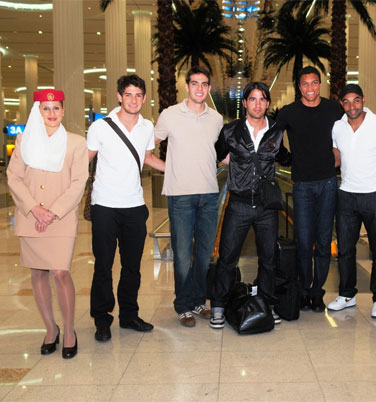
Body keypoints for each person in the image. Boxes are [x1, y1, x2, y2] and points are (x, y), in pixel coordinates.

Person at [7, 89, 88, 359]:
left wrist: (52, 211)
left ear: (63, 111)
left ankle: (69, 331)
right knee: (38, 273)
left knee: (60, 272)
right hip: (31, 217)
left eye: (56, 108)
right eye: (46, 108)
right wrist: (33, 208)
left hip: (60, 218)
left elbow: (79, 182)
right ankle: (50, 329)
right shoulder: (23, 140)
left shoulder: (76, 143)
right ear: (37, 112)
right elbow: (14, 178)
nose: (51, 114)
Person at [87, 74, 165, 342]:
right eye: (128, 94)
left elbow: (148, 158)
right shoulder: (101, 127)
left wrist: (181, 170)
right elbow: (84, 160)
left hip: (134, 205)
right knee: (104, 265)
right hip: (105, 206)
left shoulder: (146, 127)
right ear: (119, 96)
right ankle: (101, 318)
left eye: (138, 95)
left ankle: (129, 315)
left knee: (132, 266)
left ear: (144, 98)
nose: (134, 100)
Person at [209, 82, 291, 329]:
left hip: (267, 207)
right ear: (244, 103)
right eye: (252, 99)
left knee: (268, 259)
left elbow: (284, 156)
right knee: (227, 258)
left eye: (262, 99)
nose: (257, 104)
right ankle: (219, 306)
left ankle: (266, 303)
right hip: (239, 204)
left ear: (267, 103)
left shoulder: (276, 131)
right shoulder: (230, 131)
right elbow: (217, 154)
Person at [154, 66, 223, 327]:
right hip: (180, 196)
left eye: (204, 84)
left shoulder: (215, 119)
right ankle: (182, 305)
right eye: (195, 83)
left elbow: (215, 152)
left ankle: (197, 301)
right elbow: (148, 148)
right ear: (186, 86)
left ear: (208, 88)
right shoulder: (170, 115)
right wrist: (167, 168)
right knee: (182, 254)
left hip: (209, 194)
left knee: (204, 254)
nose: (199, 89)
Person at [277, 66, 342, 312]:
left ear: (320, 84)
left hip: (327, 183)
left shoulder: (333, 108)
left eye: (314, 83)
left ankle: (317, 292)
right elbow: (273, 137)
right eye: (305, 84)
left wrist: (340, 156)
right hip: (302, 185)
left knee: (324, 242)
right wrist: (287, 159)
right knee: (304, 241)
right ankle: (304, 291)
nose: (310, 88)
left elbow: (348, 133)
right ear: (299, 87)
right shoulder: (289, 112)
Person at [326, 84, 376, 318]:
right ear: (341, 103)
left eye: (356, 100)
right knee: (345, 249)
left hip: (375, 193)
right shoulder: (337, 127)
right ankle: (346, 294)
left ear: (363, 100)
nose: (352, 106)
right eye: (346, 102)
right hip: (346, 194)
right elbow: (336, 156)